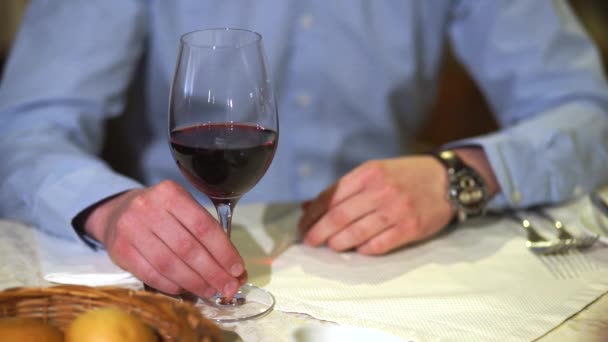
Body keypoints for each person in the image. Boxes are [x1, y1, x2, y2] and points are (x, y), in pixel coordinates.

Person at [0, 1, 607, 300]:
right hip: (172, 274)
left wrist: (467, 173)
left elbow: (589, 110)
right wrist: (109, 210)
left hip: (390, 265)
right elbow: (22, 131)